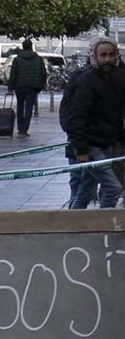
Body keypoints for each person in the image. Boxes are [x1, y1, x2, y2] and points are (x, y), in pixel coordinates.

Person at [63, 38, 125, 210]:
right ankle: (103, 224)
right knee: (113, 188)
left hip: (109, 144)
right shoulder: (86, 80)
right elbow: (75, 117)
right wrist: (81, 149)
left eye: (111, 55)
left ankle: (74, 222)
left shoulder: (118, 78)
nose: (107, 59)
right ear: (94, 57)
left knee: (87, 188)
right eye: (103, 55)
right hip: (90, 146)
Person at [7, 38, 48, 138]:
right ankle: (25, 129)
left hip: (19, 86)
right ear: (31, 46)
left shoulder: (17, 59)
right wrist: (42, 84)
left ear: (23, 47)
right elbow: (43, 73)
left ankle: (20, 128)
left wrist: (10, 86)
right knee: (29, 107)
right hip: (32, 87)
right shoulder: (38, 59)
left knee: (20, 106)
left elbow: (13, 74)